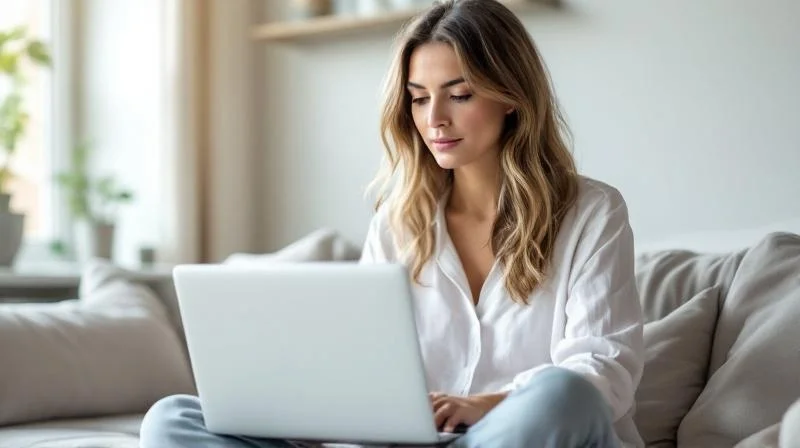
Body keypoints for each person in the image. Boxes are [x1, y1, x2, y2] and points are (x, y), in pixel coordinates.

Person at [140, 1, 644, 447]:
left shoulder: (591, 212)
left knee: (561, 392)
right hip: (407, 441)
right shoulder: (399, 221)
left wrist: (488, 405)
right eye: (419, 97)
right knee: (173, 419)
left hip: (516, 433)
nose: (434, 120)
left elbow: (603, 371)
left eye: (459, 94)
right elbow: (368, 371)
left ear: (511, 95)